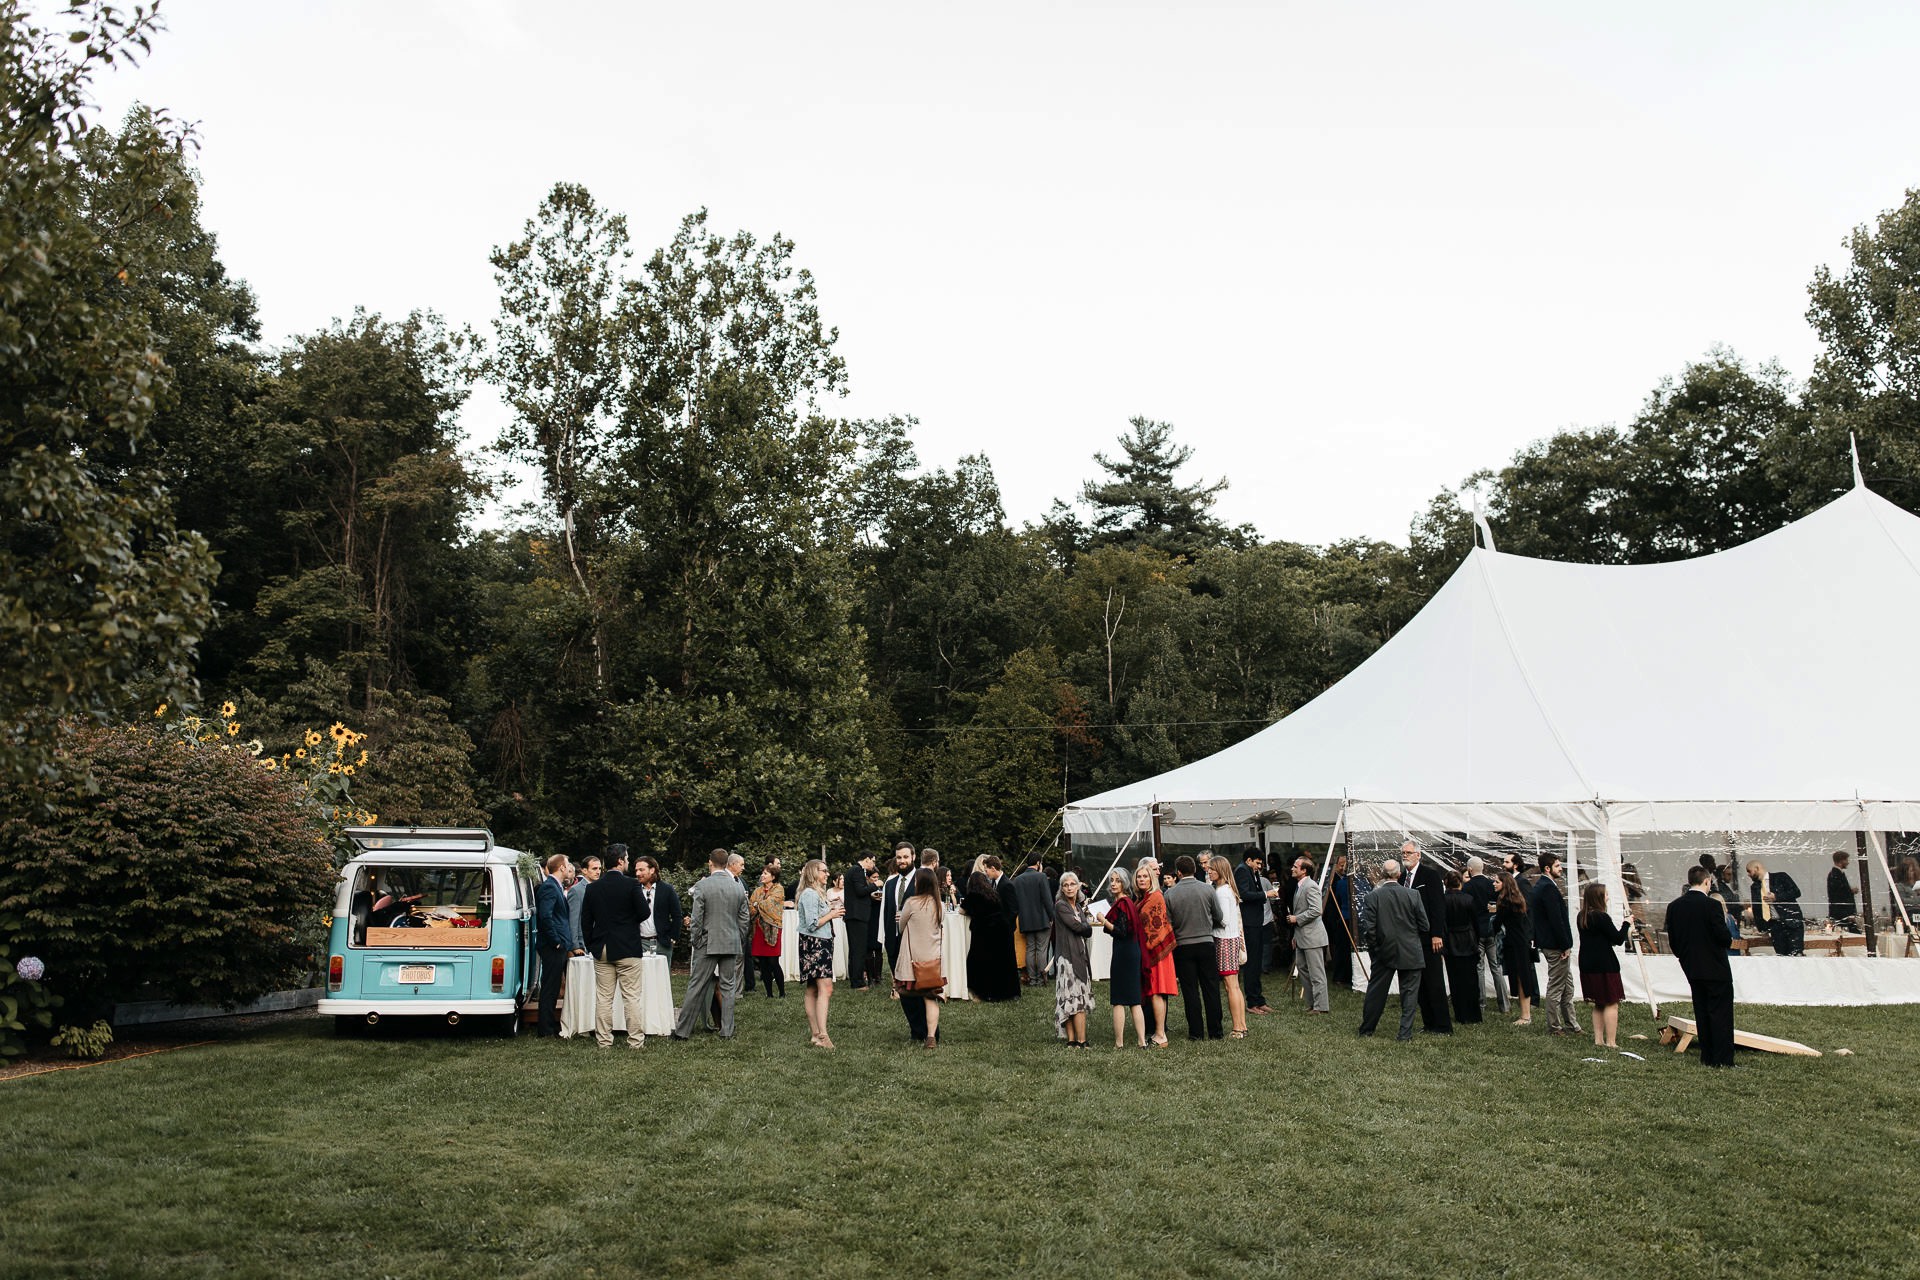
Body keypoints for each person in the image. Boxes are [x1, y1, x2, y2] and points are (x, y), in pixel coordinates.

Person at [670, 848, 752, 1042]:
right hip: (730, 942)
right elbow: (744, 918)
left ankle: (682, 1032)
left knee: (697, 986)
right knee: (728, 987)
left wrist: (695, 939)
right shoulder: (738, 886)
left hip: (707, 942)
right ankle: (727, 1030)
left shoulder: (703, 885)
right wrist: (738, 938)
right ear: (726, 864)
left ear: (710, 862)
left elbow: (697, 918)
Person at [580, 845, 650, 1049]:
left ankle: (604, 1041)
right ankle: (636, 1041)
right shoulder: (631, 885)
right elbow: (644, 912)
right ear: (620, 860)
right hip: (627, 946)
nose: (629, 862)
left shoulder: (593, 888)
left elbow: (585, 921)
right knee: (632, 998)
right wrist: (629, 921)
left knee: (603, 997)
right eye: (627, 858)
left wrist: (592, 945)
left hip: (601, 947)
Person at [1666, 865, 1736, 1067]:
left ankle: (1707, 1056)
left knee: (1702, 1011)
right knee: (1720, 1013)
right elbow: (1724, 938)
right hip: (1715, 967)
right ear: (1707, 881)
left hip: (1692, 967)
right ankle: (1723, 1058)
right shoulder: (1712, 906)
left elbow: (1674, 941)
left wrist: (1685, 957)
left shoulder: (1675, 906)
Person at [1356, 858, 1427, 1041]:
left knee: (1376, 992)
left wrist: (1376, 949)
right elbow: (1424, 925)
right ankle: (1404, 1034)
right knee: (1410, 994)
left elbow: (1368, 928)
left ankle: (1367, 1030)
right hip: (1410, 950)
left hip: (1383, 950)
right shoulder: (1413, 895)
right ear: (1399, 874)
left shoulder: (1373, 896)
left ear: (1382, 874)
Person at [1165, 855, 1225, 1041]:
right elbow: (1219, 914)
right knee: (1211, 988)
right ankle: (1216, 1031)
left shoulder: (1170, 894)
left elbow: (1169, 923)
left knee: (1190, 990)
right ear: (1195, 869)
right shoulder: (1207, 890)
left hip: (1183, 946)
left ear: (1178, 872)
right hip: (1206, 942)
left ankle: (1196, 1032)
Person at [1092, 868, 1147, 1048]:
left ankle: (1119, 1043)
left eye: (1117, 880)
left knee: (1119, 999)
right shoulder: (1128, 902)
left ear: (1124, 883)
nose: (1114, 883)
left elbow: (1121, 931)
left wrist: (1102, 919)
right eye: (1112, 880)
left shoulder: (1123, 903)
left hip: (1125, 953)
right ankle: (1141, 1041)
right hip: (1131, 951)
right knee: (1134, 999)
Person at [1400, 842, 1451, 1034]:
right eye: (1403, 853)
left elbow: (1438, 906)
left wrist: (1437, 934)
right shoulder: (1403, 877)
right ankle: (1429, 1022)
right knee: (1419, 984)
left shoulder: (1430, 875)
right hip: (1411, 938)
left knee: (1434, 981)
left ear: (1418, 855)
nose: (1405, 855)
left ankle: (1442, 1025)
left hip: (1429, 937)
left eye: (1409, 853)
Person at [794, 858, 845, 1048]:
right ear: (813, 873)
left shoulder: (816, 893)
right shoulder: (809, 894)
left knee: (813, 989)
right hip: (815, 944)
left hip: (820, 942)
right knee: (825, 989)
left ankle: (816, 1035)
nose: (827, 874)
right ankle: (822, 1036)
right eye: (823, 871)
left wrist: (830, 909)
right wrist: (832, 914)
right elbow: (812, 923)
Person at [1528, 850, 1579, 1035]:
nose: (1561, 868)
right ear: (1547, 868)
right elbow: (1555, 919)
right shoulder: (1547, 888)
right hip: (1556, 945)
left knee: (1567, 987)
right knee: (1557, 987)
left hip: (1553, 943)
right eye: (1557, 865)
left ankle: (1572, 1025)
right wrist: (1565, 945)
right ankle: (1554, 1026)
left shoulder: (1542, 886)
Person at [1576, 880, 1630, 1050]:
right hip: (1604, 964)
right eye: (1606, 895)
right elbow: (1617, 939)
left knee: (1599, 1002)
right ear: (1599, 897)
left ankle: (1598, 1040)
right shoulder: (1601, 916)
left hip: (1587, 963)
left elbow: (1602, 937)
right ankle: (1611, 1041)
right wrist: (1627, 923)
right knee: (1611, 1002)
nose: (1608, 898)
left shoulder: (1582, 916)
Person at [895, 867, 945, 1047]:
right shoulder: (940, 905)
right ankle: (931, 1036)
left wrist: (902, 919)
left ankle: (917, 1030)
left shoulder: (912, 902)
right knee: (930, 997)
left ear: (920, 883)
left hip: (912, 959)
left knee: (907, 995)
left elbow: (901, 928)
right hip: (932, 961)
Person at [534, 853, 581, 1037]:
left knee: (553, 988)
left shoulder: (556, 886)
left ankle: (550, 1025)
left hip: (558, 944)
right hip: (552, 946)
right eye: (568, 864)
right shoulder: (549, 887)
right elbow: (545, 916)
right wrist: (557, 942)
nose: (570, 868)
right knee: (550, 988)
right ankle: (545, 1029)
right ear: (561, 867)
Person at [962, 865, 1021, 1002]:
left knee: (980, 961)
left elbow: (962, 911)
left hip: (985, 931)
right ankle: (1008, 993)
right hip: (1001, 929)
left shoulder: (973, 896)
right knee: (1002, 963)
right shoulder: (992, 893)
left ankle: (985, 992)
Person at [1135, 860, 1176, 1047]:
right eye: (1139, 876)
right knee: (1153, 992)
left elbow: (1158, 927)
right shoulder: (1142, 897)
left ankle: (1160, 1034)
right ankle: (1159, 1032)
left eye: (1145, 876)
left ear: (1152, 878)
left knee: (1157, 992)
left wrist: (1147, 947)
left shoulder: (1156, 897)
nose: (1142, 879)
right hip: (1149, 950)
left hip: (1157, 951)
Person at [1052, 872, 1094, 1047]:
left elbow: (1087, 930)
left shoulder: (1077, 906)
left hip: (1079, 955)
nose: (1069, 887)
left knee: (1078, 998)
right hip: (1067, 958)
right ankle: (1076, 1040)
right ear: (1062, 888)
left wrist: (1085, 927)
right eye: (1066, 885)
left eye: (1072, 884)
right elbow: (1078, 927)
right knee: (1070, 998)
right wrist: (1085, 927)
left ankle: (1078, 1040)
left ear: (1078, 887)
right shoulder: (1061, 905)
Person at [1207, 857, 1248, 1038]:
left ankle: (1238, 1028)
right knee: (1234, 986)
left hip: (1224, 940)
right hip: (1231, 939)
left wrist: (1208, 918)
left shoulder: (1222, 892)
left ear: (1220, 870)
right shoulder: (1227, 890)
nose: (1208, 872)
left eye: (1211, 869)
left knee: (1231, 986)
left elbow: (1222, 920)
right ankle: (1242, 1025)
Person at [1463, 856, 1507, 1014]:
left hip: (1476, 931)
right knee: (1496, 967)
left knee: (1479, 968)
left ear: (1469, 869)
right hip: (1491, 929)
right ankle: (1504, 1004)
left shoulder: (1467, 887)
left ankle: (1481, 1004)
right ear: (1483, 868)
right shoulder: (1491, 885)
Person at [1288, 856, 1330, 1015]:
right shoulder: (1300, 886)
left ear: (1304, 870)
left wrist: (1296, 919)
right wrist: (1295, 936)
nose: (1292, 869)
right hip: (1301, 937)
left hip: (1313, 937)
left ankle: (1321, 1006)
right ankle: (1312, 1004)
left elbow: (1316, 910)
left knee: (1317, 972)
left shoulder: (1310, 886)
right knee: (1304, 971)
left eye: (1295, 866)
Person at [1495, 870, 1538, 1025]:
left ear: (1504, 884)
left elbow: (1496, 924)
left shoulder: (1505, 903)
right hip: (1521, 942)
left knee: (1521, 978)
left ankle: (1525, 1016)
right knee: (1522, 978)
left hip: (1514, 944)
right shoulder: (1517, 900)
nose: (1494, 884)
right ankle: (1525, 1014)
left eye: (1497, 882)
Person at [1441, 870, 1482, 1025]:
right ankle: (1474, 1014)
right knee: (1471, 979)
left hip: (1451, 942)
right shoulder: (1469, 899)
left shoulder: (1443, 900)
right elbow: (1476, 923)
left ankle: (1460, 1013)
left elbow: (1442, 924)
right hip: (1468, 940)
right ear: (1460, 882)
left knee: (1455, 979)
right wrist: (1476, 939)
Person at [1009, 854, 1057, 987]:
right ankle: (1041, 979)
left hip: (1026, 919)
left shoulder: (1018, 880)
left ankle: (1032, 978)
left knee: (1030, 949)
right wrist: (1052, 916)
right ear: (1038, 863)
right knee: (1041, 949)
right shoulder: (1041, 876)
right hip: (1041, 919)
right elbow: (1047, 900)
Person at [1234, 853, 1273, 1014]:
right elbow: (1244, 894)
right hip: (1249, 923)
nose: (1259, 866)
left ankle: (1258, 999)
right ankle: (1252, 1002)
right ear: (1248, 860)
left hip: (1256, 922)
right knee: (1251, 964)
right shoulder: (1242, 871)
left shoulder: (1253, 872)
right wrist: (1266, 894)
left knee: (1256, 962)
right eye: (1257, 863)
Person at [1745, 859, 1804, 955]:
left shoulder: (1781, 877)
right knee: (1781, 954)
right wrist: (1762, 929)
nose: (1748, 874)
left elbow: (1796, 892)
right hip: (1775, 925)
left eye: (1749, 871)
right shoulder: (1755, 887)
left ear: (1757, 868)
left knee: (1796, 953)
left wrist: (1776, 897)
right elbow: (1757, 908)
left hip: (1791, 922)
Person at [842, 852, 880, 990]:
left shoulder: (855, 870)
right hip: (857, 916)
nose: (873, 864)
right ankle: (857, 982)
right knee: (859, 950)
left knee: (855, 950)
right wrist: (876, 885)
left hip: (854, 915)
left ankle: (855, 978)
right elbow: (860, 891)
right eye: (873, 861)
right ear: (867, 859)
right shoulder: (857, 871)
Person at [633, 855, 679, 960]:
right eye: (636, 870)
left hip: (662, 943)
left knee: (662, 975)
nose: (637, 873)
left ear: (652, 870)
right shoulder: (633, 889)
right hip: (639, 943)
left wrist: (673, 937)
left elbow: (677, 915)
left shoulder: (667, 889)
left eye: (641, 870)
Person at [880, 842, 915, 981]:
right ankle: (897, 985)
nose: (902, 861)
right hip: (892, 935)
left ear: (913, 857)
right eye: (899, 858)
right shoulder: (890, 883)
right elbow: (886, 911)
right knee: (894, 961)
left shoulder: (922, 879)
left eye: (906, 857)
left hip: (913, 936)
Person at [749, 865, 785, 998]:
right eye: (762, 873)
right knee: (763, 963)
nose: (762, 875)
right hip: (759, 929)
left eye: (765, 873)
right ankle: (769, 994)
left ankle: (782, 993)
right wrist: (757, 905)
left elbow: (769, 905)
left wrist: (757, 905)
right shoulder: (758, 890)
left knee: (773, 962)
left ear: (773, 877)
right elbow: (750, 906)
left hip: (773, 928)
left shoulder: (779, 889)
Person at [566, 854, 601, 972]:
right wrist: (575, 946)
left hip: (598, 942)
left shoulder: (600, 887)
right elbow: (573, 920)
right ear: (584, 870)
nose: (598, 872)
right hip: (582, 945)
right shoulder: (576, 890)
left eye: (600, 868)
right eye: (594, 868)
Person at [1326, 852, 1356, 987]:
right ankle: (1344, 976)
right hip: (1349, 918)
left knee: (1342, 949)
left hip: (1343, 917)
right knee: (1346, 949)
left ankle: (1340, 976)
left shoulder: (1342, 882)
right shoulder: (1349, 883)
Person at [1826, 850, 1859, 929]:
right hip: (1842, 913)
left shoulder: (1837, 873)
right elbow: (1838, 893)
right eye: (1846, 860)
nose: (1848, 862)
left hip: (1842, 912)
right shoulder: (1836, 874)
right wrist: (1851, 891)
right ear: (1841, 861)